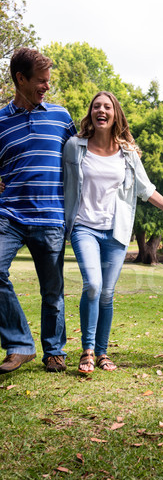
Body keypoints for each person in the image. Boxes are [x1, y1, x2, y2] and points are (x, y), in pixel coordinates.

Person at [63, 91, 163, 373]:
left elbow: (146, 190)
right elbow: (57, 178)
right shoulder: (74, 146)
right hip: (84, 226)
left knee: (107, 293)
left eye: (107, 107)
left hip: (117, 231)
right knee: (93, 285)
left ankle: (103, 353)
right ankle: (87, 350)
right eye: (96, 106)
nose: (101, 110)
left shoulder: (128, 154)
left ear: (115, 114)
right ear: (91, 113)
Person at [0, 48, 76, 374]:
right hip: (10, 216)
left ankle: (54, 350)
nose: (46, 86)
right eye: (41, 81)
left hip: (51, 218)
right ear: (21, 79)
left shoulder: (62, 118)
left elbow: (86, 153)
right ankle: (19, 345)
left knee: (53, 291)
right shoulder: (0, 121)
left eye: (48, 81)